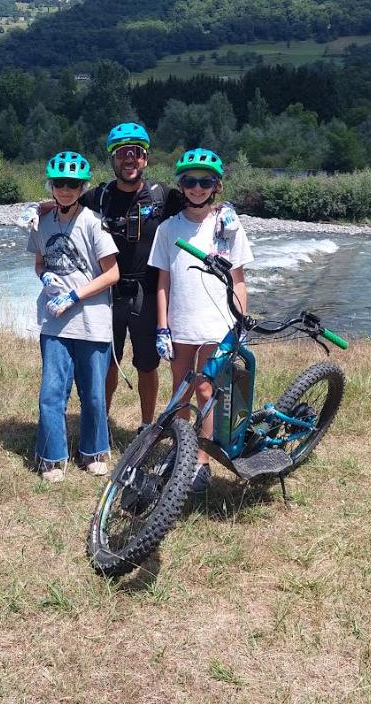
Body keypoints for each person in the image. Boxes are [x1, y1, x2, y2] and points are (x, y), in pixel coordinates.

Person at [19, 123, 185, 433]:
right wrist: (34, 208)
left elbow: (199, 204)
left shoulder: (164, 195)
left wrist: (224, 208)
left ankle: (147, 426)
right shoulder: (101, 195)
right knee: (107, 361)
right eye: (122, 153)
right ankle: (101, 425)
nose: (129, 159)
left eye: (136, 153)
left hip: (147, 293)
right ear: (113, 160)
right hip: (107, 293)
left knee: (147, 365)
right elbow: (65, 199)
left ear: (146, 159)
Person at [148, 148, 253, 493]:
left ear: (216, 186)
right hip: (181, 322)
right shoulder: (167, 229)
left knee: (207, 388)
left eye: (205, 181)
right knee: (181, 389)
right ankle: (181, 448)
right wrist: (162, 326)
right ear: (181, 185)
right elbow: (163, 281)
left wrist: (240, 321)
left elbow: (238, 278)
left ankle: (202, 461)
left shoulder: (228, 226)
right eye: (190, 182)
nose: (197, 188)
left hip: (217, 322)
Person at [27, 151, 120, 483]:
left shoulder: (94, 223)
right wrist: (45, 277)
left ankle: (94, 451)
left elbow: (112, 274)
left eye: (73, 184)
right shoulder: (42, 222)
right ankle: (52, 456)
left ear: (83, 187)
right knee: (52, 392)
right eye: (60, 183)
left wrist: (74, 295)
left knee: (93, 393)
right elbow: (40, 262)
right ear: (51, 185)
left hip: (92, 322)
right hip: (53, 322)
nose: (66, 189)